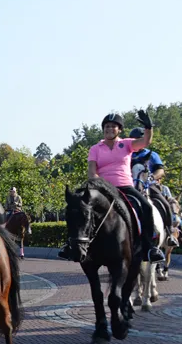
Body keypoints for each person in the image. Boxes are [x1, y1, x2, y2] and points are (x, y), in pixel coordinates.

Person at [58, 111, 165, 263]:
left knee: (146, 207)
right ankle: (70, 244)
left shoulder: (127, 144)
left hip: (125, 187)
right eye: (107, 126)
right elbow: (91, 172)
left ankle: (149, 247)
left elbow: (145, 142)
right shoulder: (95, 149)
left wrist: (148, 127)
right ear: (103, 129)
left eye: (113, 126)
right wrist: (103, 186)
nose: (110, 129)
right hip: (103, 189)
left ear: (119, 129)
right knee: (76, 207)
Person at [129, 128, 177, 246]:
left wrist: (151, 178)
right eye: (134, 139)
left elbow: (160, 170)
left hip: (148, 185)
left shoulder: (152, 154)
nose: (136, 141)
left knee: (164, 204)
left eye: (139, 139)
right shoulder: (127, 154)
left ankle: (170, 233)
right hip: (129, 185)